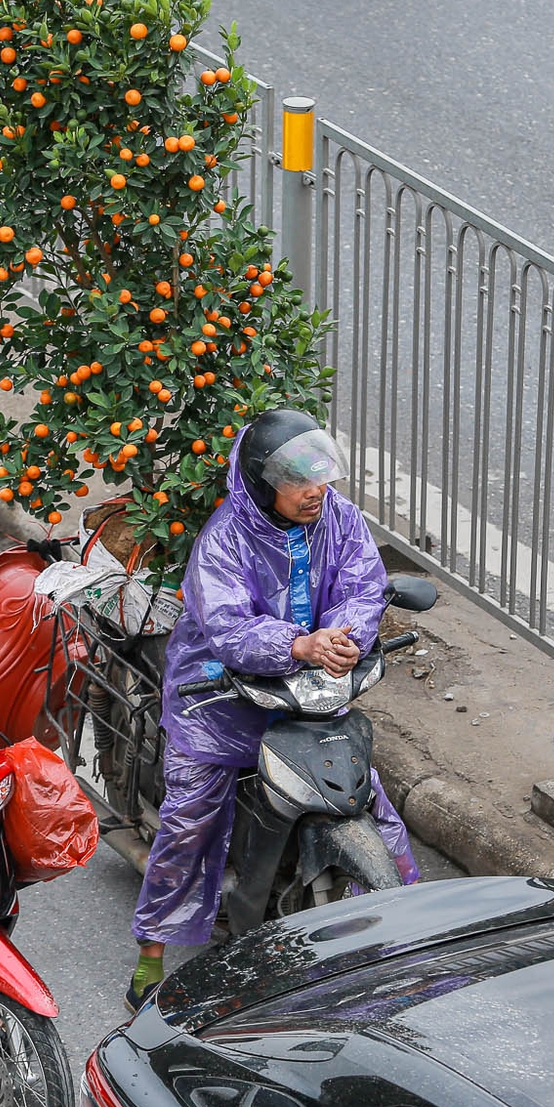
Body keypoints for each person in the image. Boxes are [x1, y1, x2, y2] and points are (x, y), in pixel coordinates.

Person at [127, 408, 420, 1011]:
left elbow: (364, 587)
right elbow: (230, 630)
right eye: (297, 481)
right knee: (190, 821)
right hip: (218, 699)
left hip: (307, 692)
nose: (315, 492)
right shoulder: (225, 540)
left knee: (374, 804)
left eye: (319, 477)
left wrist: (343, 638)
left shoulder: (339, 517)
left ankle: (415, 938)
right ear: (263, 482)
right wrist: (295, 645)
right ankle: (150, 956)